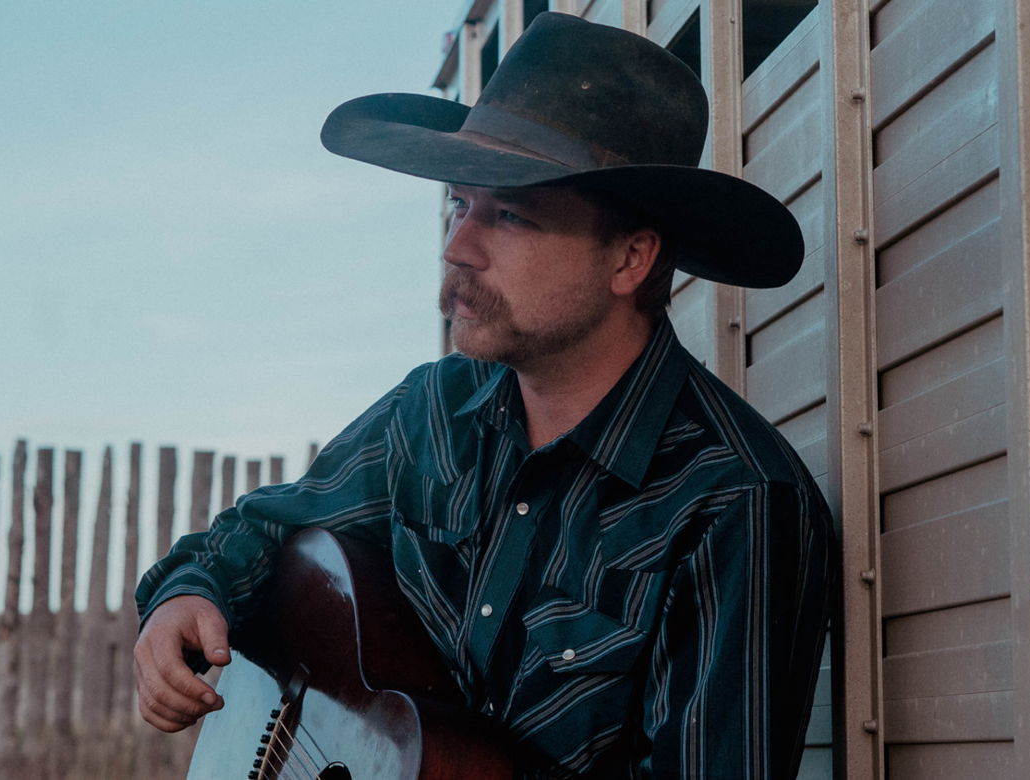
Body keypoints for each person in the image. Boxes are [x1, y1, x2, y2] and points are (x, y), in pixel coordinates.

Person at [133, 12, 833, 779]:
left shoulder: (736, 505)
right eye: (461, 204)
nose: (457, 246)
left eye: (509, 214)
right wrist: (183, 600)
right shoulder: (434, 410)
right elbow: (264, 530)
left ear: (631, 257)